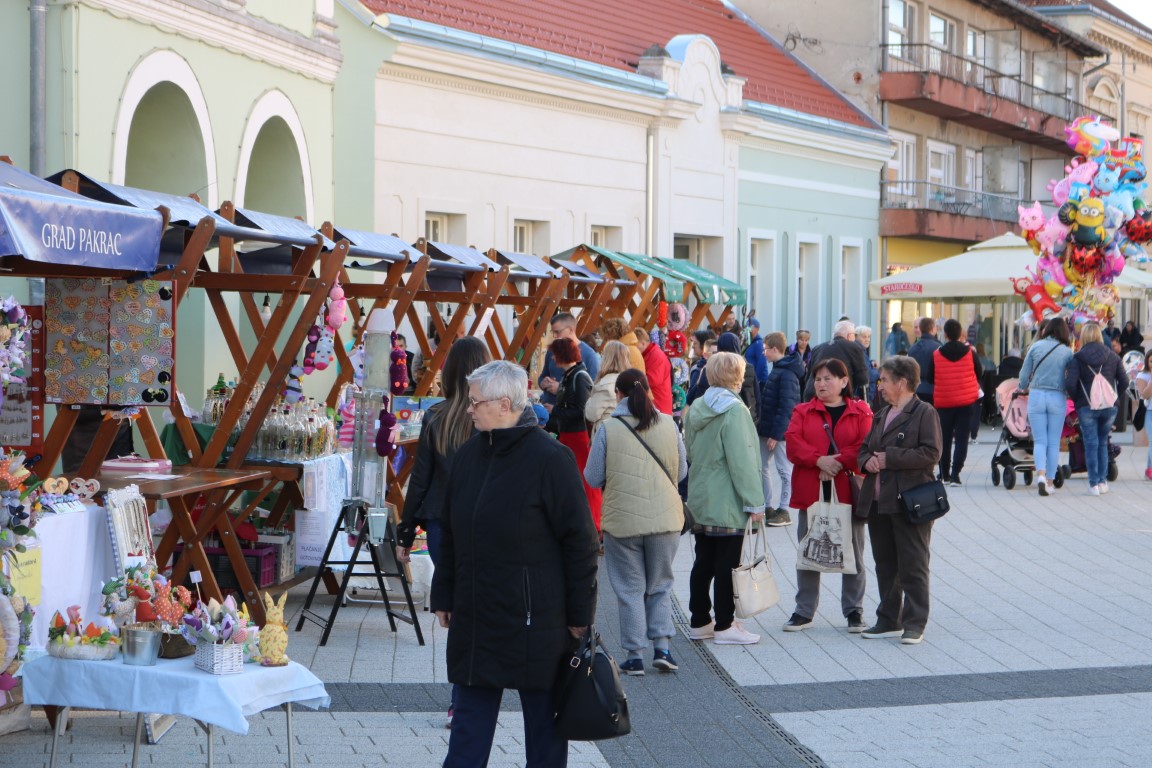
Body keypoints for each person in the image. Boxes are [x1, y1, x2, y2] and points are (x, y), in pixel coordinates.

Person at [431, 360, 599, 768]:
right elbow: (451, 531)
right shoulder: (468, 457)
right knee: (468, 730)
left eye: (475, 402)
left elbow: (580, 542)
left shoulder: (551, 459)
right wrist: (444, 593)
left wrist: (580, 614)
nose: (468, 409)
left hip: (536, 619)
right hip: (476, 615)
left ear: (504, 404)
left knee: (543, 732)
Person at [396, 336, 490, 729]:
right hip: (484, 525)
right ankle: (481, 691)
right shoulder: (489, 419)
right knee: (483, 608)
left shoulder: (436, 416)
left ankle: (460, 701)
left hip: (440, 526)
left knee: (457, 609)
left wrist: (405, 532)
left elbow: (420, 482)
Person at [584, 369, 687, 675]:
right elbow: (681, 473)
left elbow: (592, 476)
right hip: (666, 520)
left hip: (623, 521)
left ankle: (634, 655)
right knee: (661, 585)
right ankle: (663, 648)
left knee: (629, 588)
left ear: (618, 394)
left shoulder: (607, 429)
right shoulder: (669, 423)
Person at [856, 355, 942, 646]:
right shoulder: (881, 413)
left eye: (884, 380)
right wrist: (867, 460)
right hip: (880, 501)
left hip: (910, 501)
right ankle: (888, 617)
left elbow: (931, 453)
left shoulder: (923, 412)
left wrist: (889, 458)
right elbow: (865, 449)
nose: (879, 386)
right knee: (885, 563)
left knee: (913, 564)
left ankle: (915, 622)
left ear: (901, 382)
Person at [783, 358, 873, 633]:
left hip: (848, 490)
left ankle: (854, 610)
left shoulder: (861, 411)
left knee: (853, 551)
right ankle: (804, 610)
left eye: (828, 378)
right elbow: (793, 443)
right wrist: (818, 460)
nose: (821, 384)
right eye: (817, 378)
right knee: (809, 548)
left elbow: (864, 445)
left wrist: (835, 463)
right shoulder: (803, 410)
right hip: (811, 489)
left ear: (844, 382)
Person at [683, 352, 766, 645]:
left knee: (703, 560)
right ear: (738, 376)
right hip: (728, 498)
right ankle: (725, 625)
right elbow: (742, 460)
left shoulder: (696, 408)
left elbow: (689, 452)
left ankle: (699, 620)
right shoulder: (735, 410)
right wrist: (755, 501)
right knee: (728, 564)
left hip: (701, 496)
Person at [544, 338, 601, 529]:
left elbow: (582, 410)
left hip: (578, 436)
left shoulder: (579, 376)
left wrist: (555, 411)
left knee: (586, 483)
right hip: (570, 435)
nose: (552, 357)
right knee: (577, 482)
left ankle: (596, 526)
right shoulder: (571, 375)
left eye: (555, 353)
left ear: (563, 355)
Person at [1066, 322, 1127, 495]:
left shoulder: (1077, 358)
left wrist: (1079, 399)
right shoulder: (1113, 357)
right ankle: (1102, 481)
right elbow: (1124, 382)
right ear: (1100, 336)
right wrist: (1114, 397)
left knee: (1090, 443)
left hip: (1086, 407)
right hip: (1109, 406)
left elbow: (1070, 383)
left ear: (1083, 337)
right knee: (1102, 442)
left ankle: (1093, 484)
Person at [1018, 317, 1074, 497]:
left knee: (1040, 440)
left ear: (1047, 330)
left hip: (1036, 395)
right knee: (1053, 441)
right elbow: (1071, 377)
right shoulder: (1066, 352)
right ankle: (1050, 481)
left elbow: (1023, 375)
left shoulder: (1036, 346)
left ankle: (1040, 475)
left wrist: (1024, 384)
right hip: (1057, 396)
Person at [756, 332, 803, 528]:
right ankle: (768, 506)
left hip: (778, 433)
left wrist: (777, 434)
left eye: (766, 349)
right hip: (769, 429)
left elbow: (787, 407)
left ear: (775, 349)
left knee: (784, 470)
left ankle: (784, 509)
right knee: (763, 467)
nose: (764, 353)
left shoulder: (787, 374)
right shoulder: (779, 370)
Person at [932, 319, 982, 486]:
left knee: (944, 439)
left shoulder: (937, 354)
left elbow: (931, 376)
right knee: (961, 439)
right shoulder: (970, 353)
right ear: (961, 334)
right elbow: (979, 372)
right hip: (966, 403)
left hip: (944, 402)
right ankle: (955, 474)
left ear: (945, 334)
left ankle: (944, 473)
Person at [686, 332, 758, 417]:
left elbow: (694, 398)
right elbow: (757, 396)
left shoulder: (713, 368)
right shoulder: (748, 367)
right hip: (746, 416)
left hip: (718, 417)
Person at [538, 312, 600, 406]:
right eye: (553, 332)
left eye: (558, 332)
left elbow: (592, 389)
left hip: (568, 414)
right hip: (547, 410)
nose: (555, 336)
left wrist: (561, 389)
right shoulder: (552, 351)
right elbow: (542, 376)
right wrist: (543, 383)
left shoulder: (589, 354)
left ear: (570, 330)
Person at [804, 320, 868, 400]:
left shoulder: (817, 348)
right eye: (854, 335)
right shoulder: (853, 347)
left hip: (812, 395)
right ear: (849, 336)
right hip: (836, 398)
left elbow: (807, 377)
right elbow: (863, 379)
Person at [583, 340, 632, 434]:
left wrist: (590, 397)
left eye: (603, 354)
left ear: (607, 358)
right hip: (625, 432)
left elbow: (590, 414)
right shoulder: (630, 380)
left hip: (607, 435)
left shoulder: (605, 385)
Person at [635, 328, 673, 415]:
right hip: (656, 406)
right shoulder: (651, 353)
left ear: (643, 343)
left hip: (658, 407)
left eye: (635, 346)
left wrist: (633, 381)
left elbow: (652, 381)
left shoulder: (656, 355)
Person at [907, 317, 941, 405]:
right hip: (933, 390)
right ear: (933, 329)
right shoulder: (938, 347)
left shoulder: (912, 348)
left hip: (915, 389)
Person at [1135, 349, 1152, 481]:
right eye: (1151, 361)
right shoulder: (1143, 376)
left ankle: (1149, 470)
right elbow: (1144, 395)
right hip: (1149, 411)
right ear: (1147, 361)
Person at [856, 325, 880, 403]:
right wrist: (878, 370)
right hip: (863, 395)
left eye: (868, 337)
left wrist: (871, 362)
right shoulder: (859, 351)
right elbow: (869, 375)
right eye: (864, 337)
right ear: (856, 337)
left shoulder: (862, 350)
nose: (867, 340)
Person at [688, 329, 716, 394]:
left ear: (704, 345)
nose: (693, 346)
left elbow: (692, 395)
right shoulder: (718, 365)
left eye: (695, 343)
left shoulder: (699, 369)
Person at [743, 317, 769, 383]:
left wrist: (755, 379)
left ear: (757, 329)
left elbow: (761, 363)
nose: (747, 329)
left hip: (759, 381)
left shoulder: (759, 343)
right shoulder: (749, 342)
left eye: (750, 327)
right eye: (746, 326)